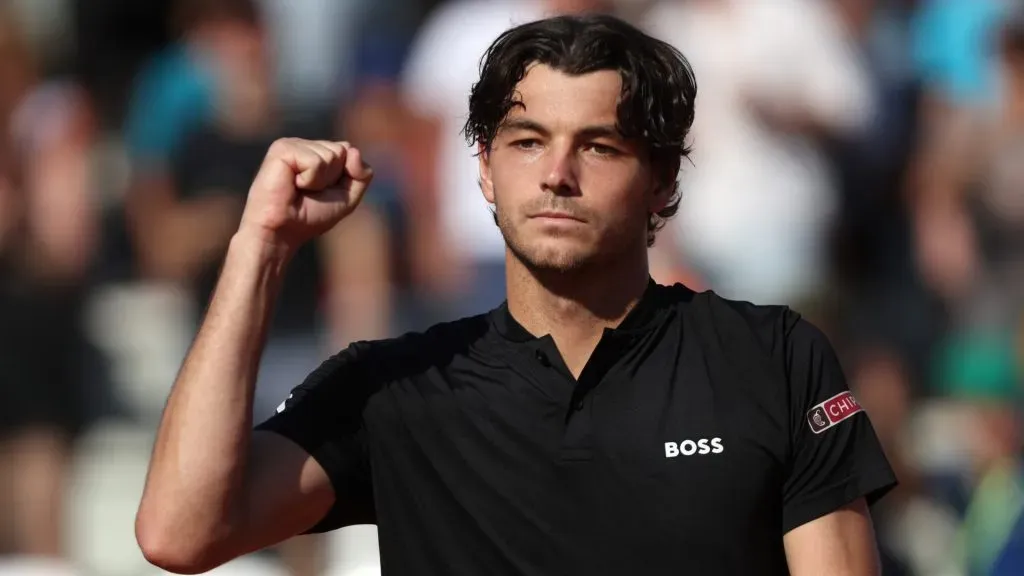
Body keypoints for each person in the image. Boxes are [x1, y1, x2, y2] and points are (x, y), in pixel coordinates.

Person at [136, 14, 897, 575]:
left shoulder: (771, 358)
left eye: (598, 146)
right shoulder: (398, 389)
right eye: (527, 142)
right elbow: (180, 533)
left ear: (662, 181)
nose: (556, 175)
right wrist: (260, 248)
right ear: (484, 170)